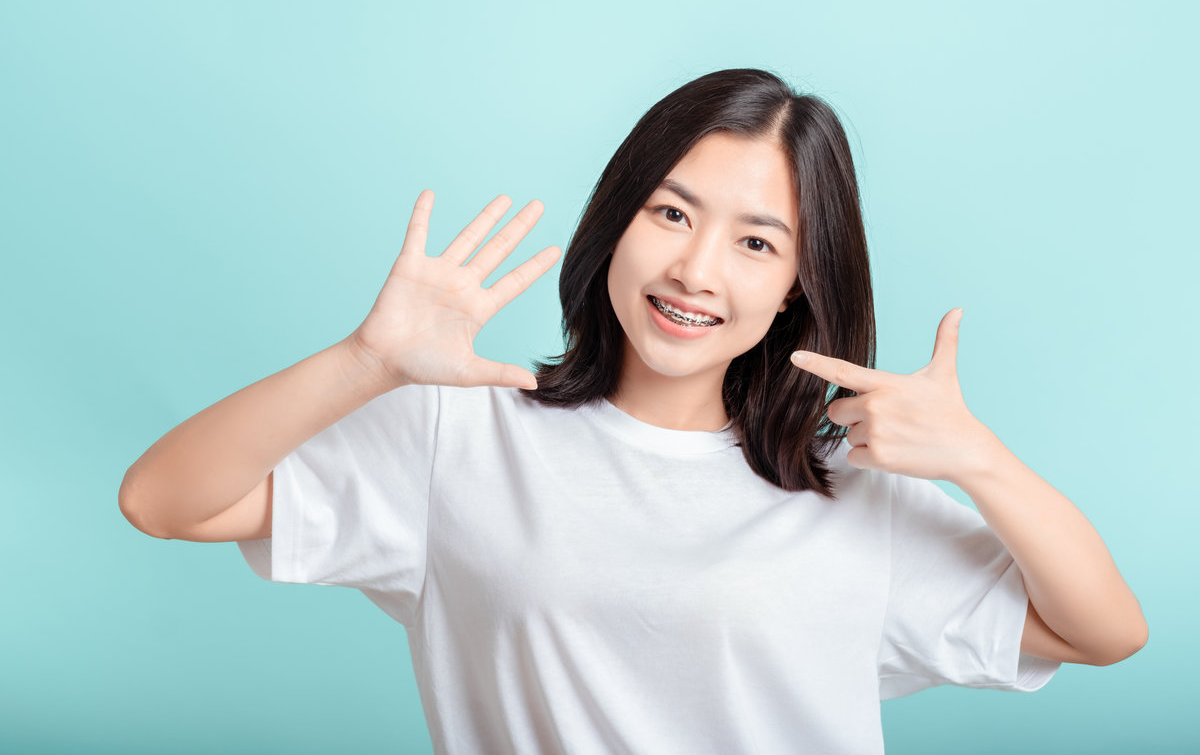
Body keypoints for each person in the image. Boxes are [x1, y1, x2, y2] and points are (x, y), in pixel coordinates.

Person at [119, 68, 1147, 754]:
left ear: (797, 282)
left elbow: (1105, 631)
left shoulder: (845, 487)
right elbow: (162, 498)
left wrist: (983, 463)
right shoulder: (460, 430)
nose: (696, 269)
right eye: (671, 212)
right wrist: (365, 362)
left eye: (756, 241)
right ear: (618, 221)